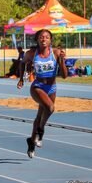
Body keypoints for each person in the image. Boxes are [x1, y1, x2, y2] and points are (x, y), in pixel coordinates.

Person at [17, 29, 67, 158]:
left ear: (50, 40)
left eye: (46, 37)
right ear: (37, 39)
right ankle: (41, 131)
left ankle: (31, 142)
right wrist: (21, 79)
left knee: (40, 116)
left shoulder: (55, 53)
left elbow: (65, 75)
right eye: (41, 37)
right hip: (37, 86)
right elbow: (22, 63)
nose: (44, 39)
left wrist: (61, 61)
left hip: (51, 87)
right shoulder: (32, 53)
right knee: (50, 108)